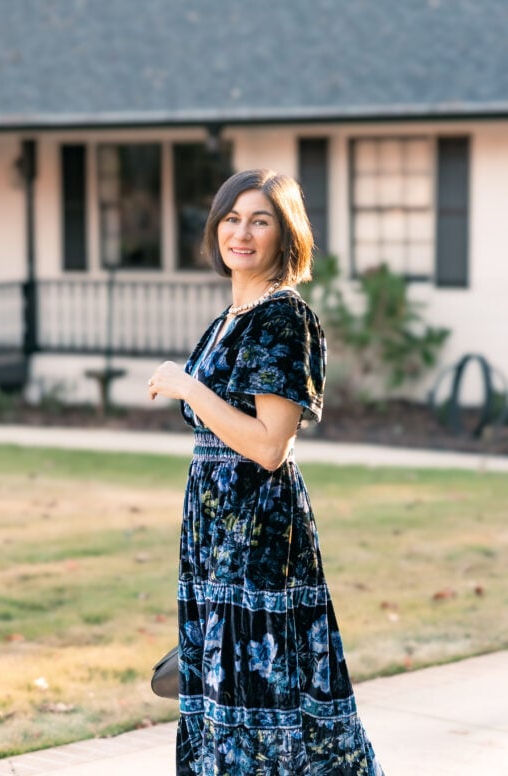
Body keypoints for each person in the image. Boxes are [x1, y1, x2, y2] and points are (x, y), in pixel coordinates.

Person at [148, 169, 384, 775]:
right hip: (210, 527)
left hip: (257, 530)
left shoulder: (283, 319)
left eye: (260, 220)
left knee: (262, 688)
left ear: (286, 234)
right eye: (231, 218)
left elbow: (268, 446)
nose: (242, 233)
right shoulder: (227, 318)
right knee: (221, 688)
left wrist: (185, 385)